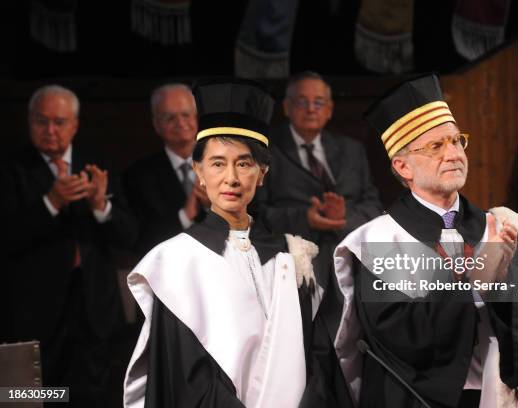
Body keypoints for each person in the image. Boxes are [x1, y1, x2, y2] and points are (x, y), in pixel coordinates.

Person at [331, 74, 518, 408]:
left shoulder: (500, 227)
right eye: (436, 146)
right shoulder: (376, 241)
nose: (453, 154)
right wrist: (474, 285)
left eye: (456, 141)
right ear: (402, 166)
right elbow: (401, 342)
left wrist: (503, 285)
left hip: (495, 396)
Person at [124, 79, 335, 407]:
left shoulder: (292, 256)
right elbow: (185, 376)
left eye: (245, 163)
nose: (232, 178)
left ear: (262, 173)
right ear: (199, 171)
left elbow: (318, 356)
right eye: (218, 163)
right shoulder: (176, 262)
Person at [0, 85, 137, 406]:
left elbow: (129, 236)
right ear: (28, 122)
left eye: (59, 122)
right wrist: (51, 202)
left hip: (95, 312)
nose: (50, 130)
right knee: (32, 399)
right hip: (33, 315)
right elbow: (7, 237)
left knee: (91, 397)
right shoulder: (9, 169)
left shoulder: (98, 165)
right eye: (41, 121)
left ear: (74, 125)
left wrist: (101, 205)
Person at [255, 71, 382, 290]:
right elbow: (256, 213)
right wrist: (306, 219)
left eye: (318, 102)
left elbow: (373, 207)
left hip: (354, 253)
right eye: (302, 102)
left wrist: (343, 219)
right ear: (286, 107)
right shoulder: (265, 151)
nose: (311, 109)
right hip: (292, 260)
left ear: (330, 109)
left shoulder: (352, 150)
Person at [123, 83, 209, 257]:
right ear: (156, 124)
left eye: (186, 115)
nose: (180, 123)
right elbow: (138, 239)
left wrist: (211, 208)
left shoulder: (224, 165)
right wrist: (185, 215)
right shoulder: (137, 176)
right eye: (169, 118)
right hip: (166, 272)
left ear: (196, 118)